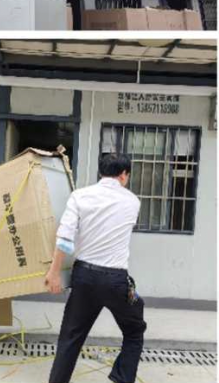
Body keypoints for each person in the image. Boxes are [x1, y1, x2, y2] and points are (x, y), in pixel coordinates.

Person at [45, 153, 145, 383]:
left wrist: (54, 272)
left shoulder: (79, 196)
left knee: (70, 337)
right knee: (134, 331)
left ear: (101, 173)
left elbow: (65, 238)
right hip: (116, 280)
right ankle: (122, 378)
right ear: (124, 175)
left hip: (85, 278)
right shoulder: (133, 202)